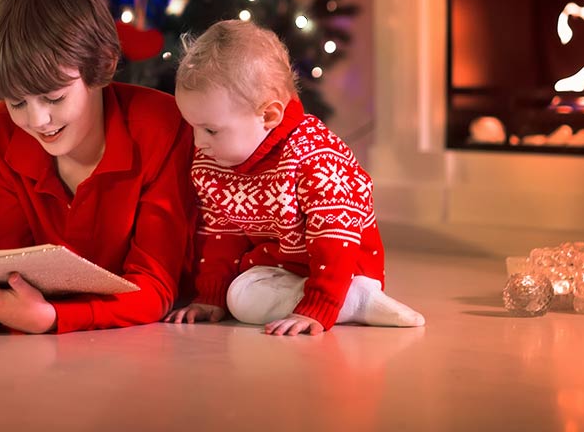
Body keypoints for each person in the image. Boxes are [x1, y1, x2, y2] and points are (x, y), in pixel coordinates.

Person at [0, 0, 197, 334]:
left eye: (54, 97)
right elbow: (6, 271)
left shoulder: (162, 126)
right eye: (17, 101)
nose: (37, 120)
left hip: (166, 340)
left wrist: (55, 318)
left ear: (103, 65)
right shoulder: (1, 127)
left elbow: (156, 286)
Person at [166, 20, 424, 335]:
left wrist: (319, 305)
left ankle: (355, 299)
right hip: (277, 270)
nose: (198, 142)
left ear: (269, 116)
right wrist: (211, 297)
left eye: (210, 129)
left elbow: (336, 238)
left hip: (343, 268)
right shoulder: (214, 161)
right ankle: (342, 303)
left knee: (249, 298)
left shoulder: (316, 157)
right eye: (192, 126)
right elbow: (223, 234)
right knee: (240, 296)